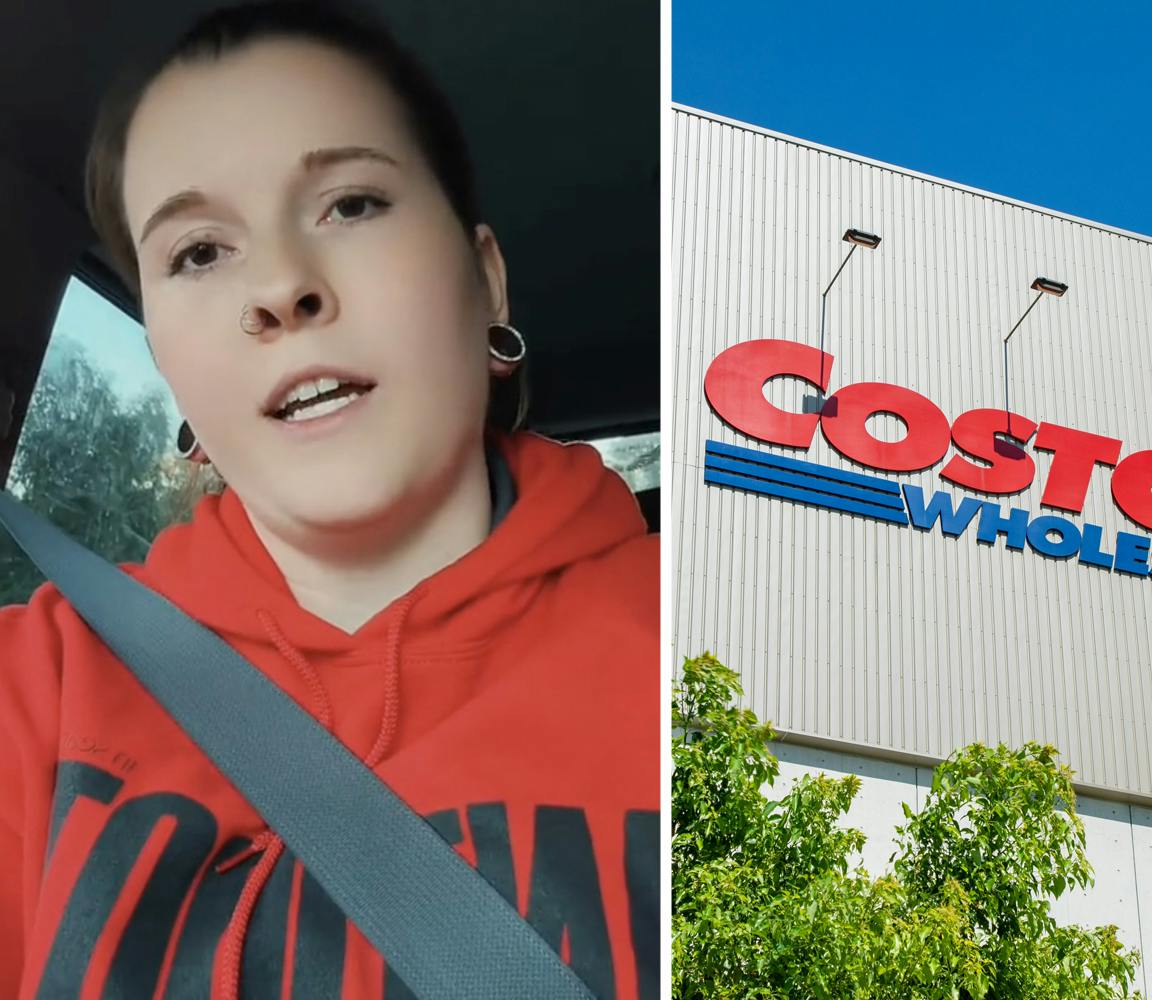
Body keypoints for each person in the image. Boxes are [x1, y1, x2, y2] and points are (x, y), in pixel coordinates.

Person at [0, 4, 659, 997]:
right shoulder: (36, 689)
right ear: (168, 358)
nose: (279, 286)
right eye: (197, 252)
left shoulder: (700, 648)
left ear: (485, 279)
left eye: (350, 203)